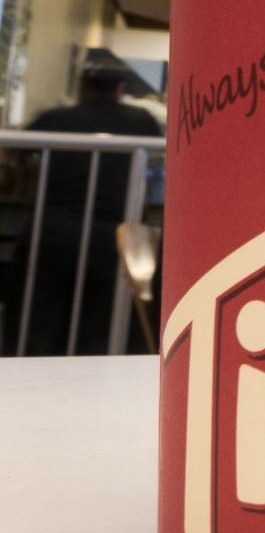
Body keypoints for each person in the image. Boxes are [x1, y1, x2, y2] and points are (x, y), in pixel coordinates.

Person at [16, 61, 162, 355]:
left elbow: (19, 155)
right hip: (111, 236)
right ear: (120, 89)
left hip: (50, 232)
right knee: (103, 326)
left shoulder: (54, 120)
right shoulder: (140, 121)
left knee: (39, 322)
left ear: (81, 86)